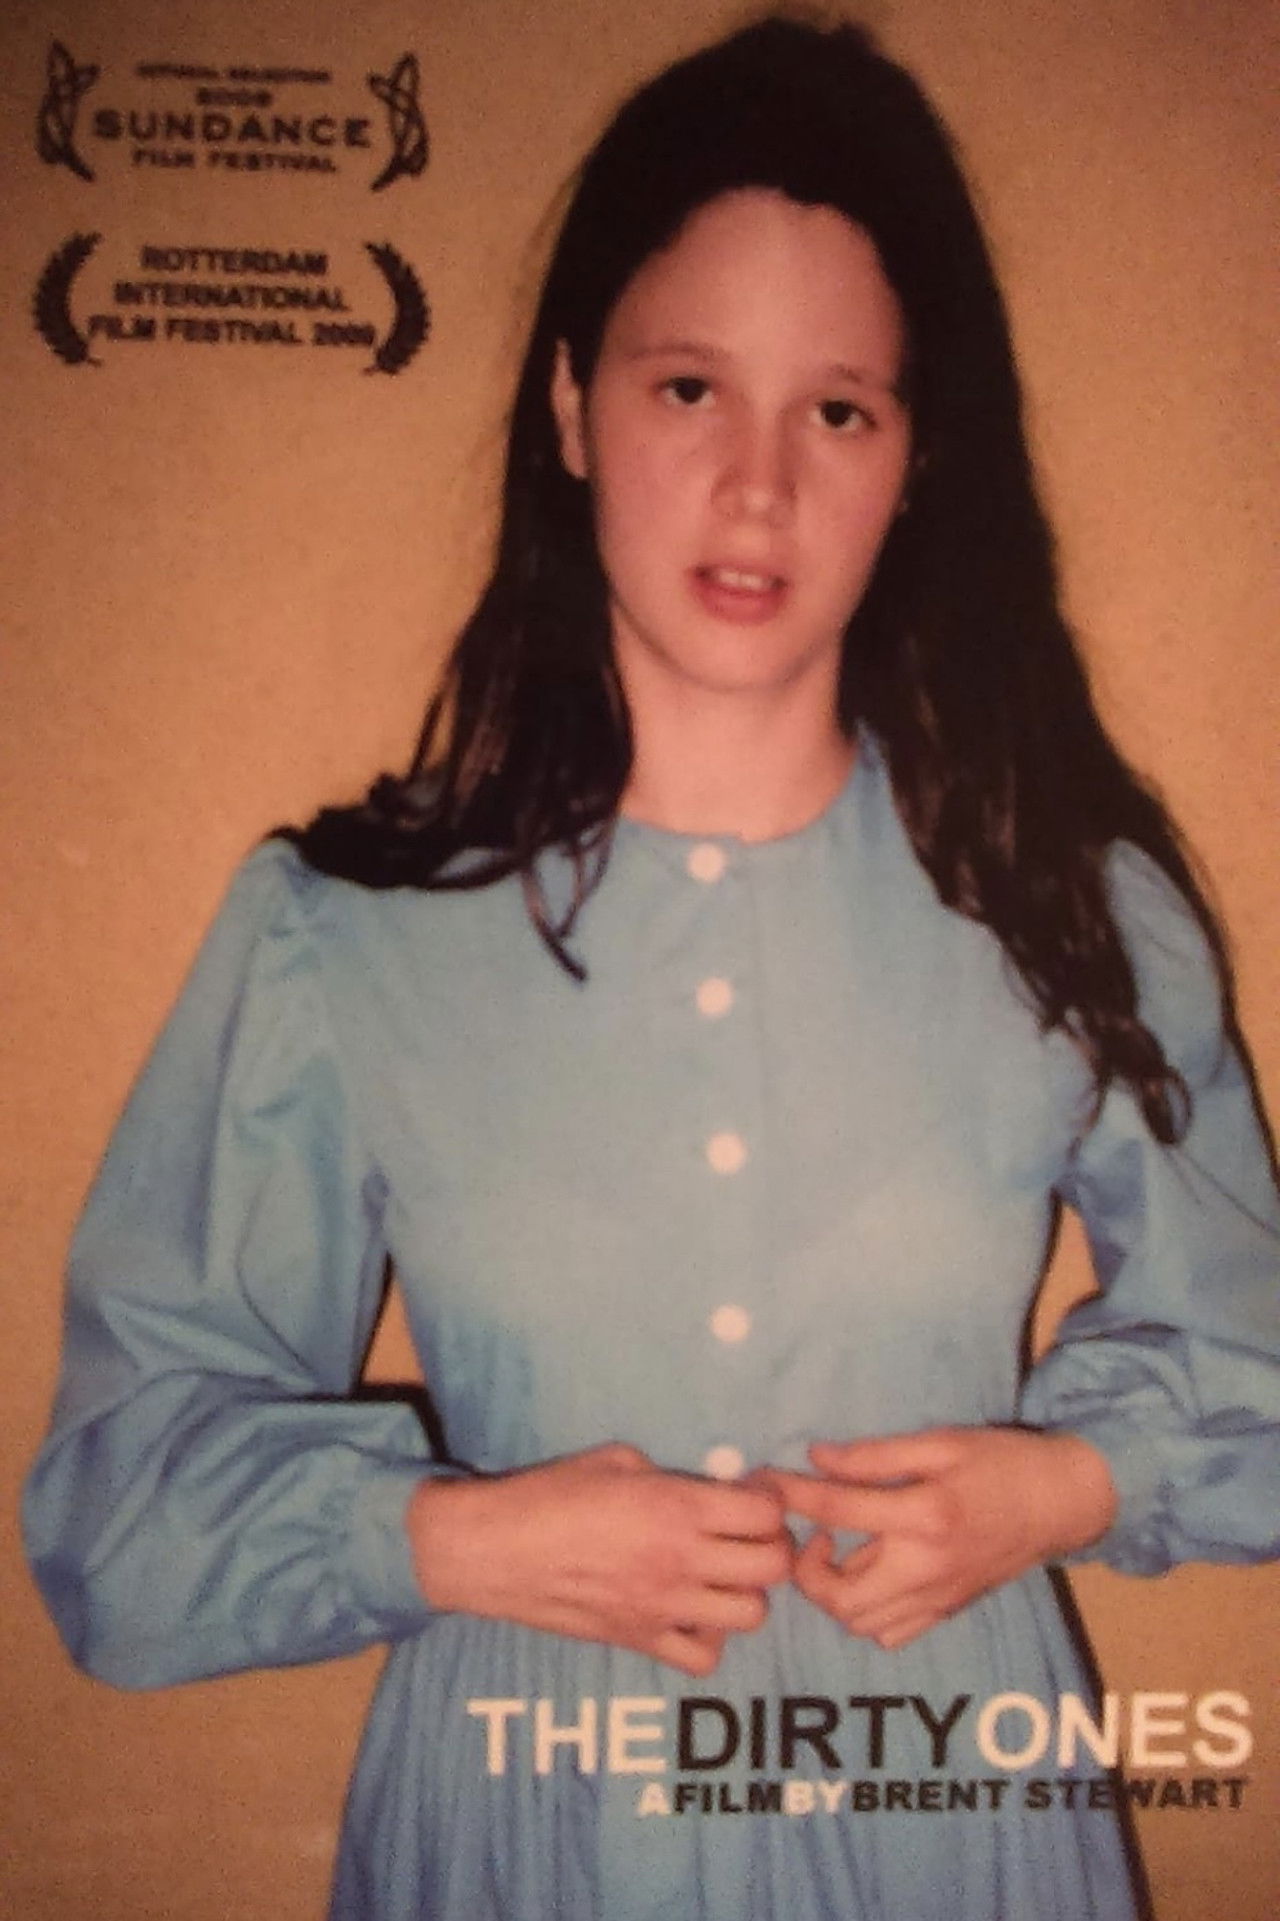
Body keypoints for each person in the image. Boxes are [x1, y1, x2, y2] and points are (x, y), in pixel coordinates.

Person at [23, 16, 1280, 1921]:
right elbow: (118, 1509)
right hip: (524, 1829)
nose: (758, 486)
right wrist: (455, 1541)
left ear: (917, 459)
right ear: (570, 407)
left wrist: (1063, 1486)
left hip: (947, 1815)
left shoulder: (1069, 907)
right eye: (691, 386)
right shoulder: (344, 933)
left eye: (838, 411)